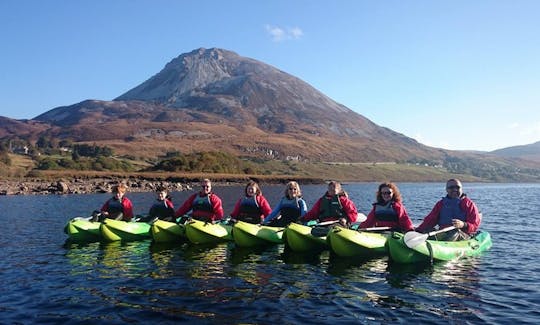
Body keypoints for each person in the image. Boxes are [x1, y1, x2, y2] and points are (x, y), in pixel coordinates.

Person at [416, 178, 481, 241]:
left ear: (461, 189)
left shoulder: (469, 204)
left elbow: (474, 226)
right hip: (443, 232)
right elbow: (430, 221)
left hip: (462, 234)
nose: (455, 189)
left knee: (454, 233)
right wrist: (417, 231)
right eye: (451, 187)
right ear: (446, 189)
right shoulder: (441, 204)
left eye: (457, 187)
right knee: (427, 230)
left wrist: (463, 224)